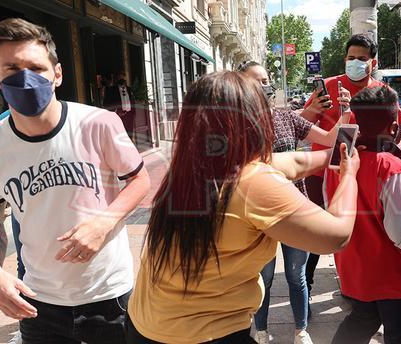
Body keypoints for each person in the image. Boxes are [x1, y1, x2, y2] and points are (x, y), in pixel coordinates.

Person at [126, 71, 360, 344]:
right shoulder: (252, 182)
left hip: (146, 324)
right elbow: (336, 235)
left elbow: (294, 162)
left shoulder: (193, 164)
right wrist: (349, 176)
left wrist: (336, 155)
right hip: (204, 335)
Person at [0, 18, 151, 343]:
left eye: (36, 68)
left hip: (109, 295)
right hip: (38, 302)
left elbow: (139, 179)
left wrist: (104, 223)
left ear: (57, 73)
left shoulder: (100, 124)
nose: (25, 79)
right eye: (12, 68)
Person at [325, 86, 401, 344]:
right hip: (393, 278)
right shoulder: (393, 168)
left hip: (356, 271)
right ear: (394, 128)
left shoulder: (341, 159)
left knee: (360, 321)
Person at [237, 60, 351, 344]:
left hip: (294, 206)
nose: (264, 86)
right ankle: (261, 331)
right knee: (263, 277)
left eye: (265, 80)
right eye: (257, 81)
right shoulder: (235, 125)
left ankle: (301, 330)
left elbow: (328, 138)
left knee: (296, 275)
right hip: (259, 213)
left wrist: (345, 113)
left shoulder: (285, 116)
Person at [300, 34, 397, 298]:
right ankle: (305, 283)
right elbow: (304, 126)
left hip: (365, 175)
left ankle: (359, 283)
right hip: (322, 173)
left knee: (361, 231)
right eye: (351, 58)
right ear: (344, 59)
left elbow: (392, 132)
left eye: (362, 59)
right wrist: (313, 111)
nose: (355, 62)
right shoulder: (328, 86)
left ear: (373, 62)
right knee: (317, 232)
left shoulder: (382, 92)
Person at [103, 71, 135, 141]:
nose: (121, 77)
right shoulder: (110, 90)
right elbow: (106, 104)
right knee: (119, 135)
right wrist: (116, 112)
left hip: (129, 116)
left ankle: (129, 150)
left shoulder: (129, 89)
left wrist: (132, 113)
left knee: (129, 135)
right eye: (119, 76)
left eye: (122, 75)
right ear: (115, 78)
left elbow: (132, 102)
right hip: (118, 116)